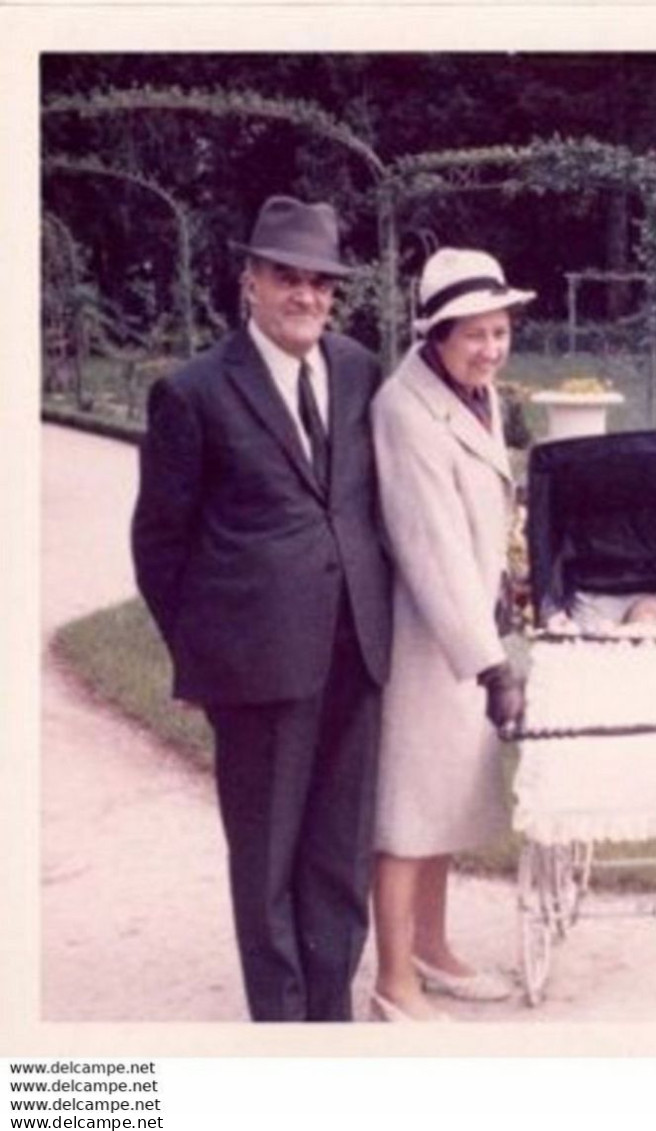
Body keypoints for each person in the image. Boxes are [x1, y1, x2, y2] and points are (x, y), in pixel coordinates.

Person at [130, 195, 393, 1022]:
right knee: (268, 860)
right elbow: (158, 547)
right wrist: (208, 656)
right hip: (256, 668)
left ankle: (331, 1017)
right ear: (250, 282)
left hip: (359, 651)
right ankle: (279, 1037)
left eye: (321, 282)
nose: (307, 297)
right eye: (288, 278)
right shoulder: (194, 393)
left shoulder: (358, 370)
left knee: (341, 858)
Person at [368, 247, 533, 1022]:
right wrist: (491, 665)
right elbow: (428, 548)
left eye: (499, 331)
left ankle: (434, 947)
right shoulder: (405, 409)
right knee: (408, 812)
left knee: (447, 804)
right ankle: (394, 979)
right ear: (435, 333)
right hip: (427, 639)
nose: (490, 349)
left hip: (469, 630)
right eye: (473, 335)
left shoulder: (477, 392)